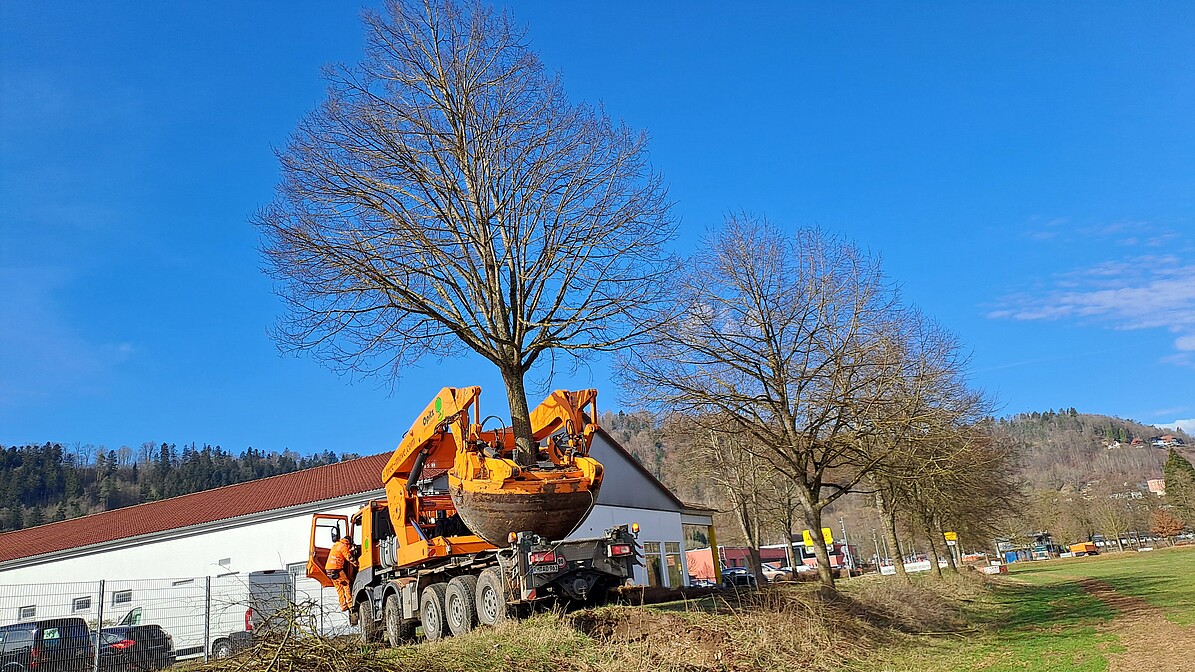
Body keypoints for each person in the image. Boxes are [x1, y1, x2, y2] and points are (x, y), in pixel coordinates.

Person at [325, 530, 358, 611]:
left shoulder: (336, 545)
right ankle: (350, 605)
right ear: (349, 543)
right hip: (336, 570)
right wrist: (357, 564)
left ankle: (343, 606)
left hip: (329, 570)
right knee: (346, 585)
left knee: (339, 588)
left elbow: (340, 553)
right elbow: (349, 557)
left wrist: (349, 550)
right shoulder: (344, 546)